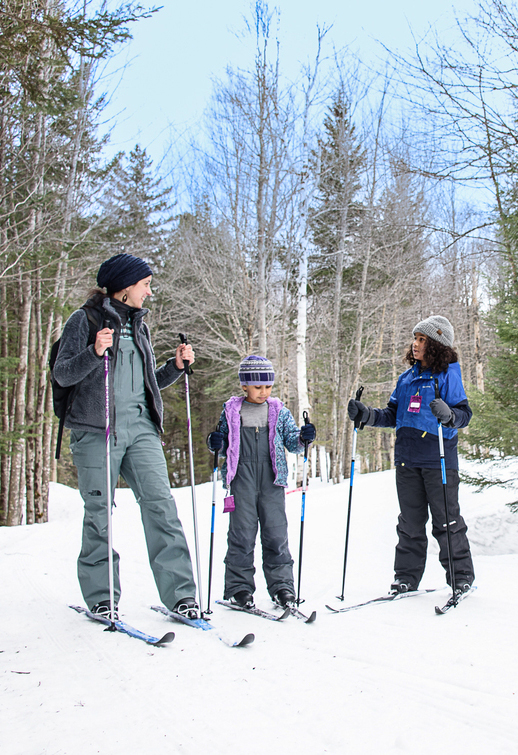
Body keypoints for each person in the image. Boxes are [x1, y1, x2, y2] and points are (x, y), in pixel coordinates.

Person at [53, 253, 199, 619]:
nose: (149, 292)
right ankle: (102, 598)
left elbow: (149, 383)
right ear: (125, 287)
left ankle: (181, 595)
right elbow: (62, 374)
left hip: (141, 429)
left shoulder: (139, 327)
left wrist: (175, 367)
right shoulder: (82, 321)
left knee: (161, 507)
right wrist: (94, 351)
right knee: (100, 514)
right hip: (96, 432)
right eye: (145, 285)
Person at [347, 315, 475, 597]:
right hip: (406, 458)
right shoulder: (407, 379)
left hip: (439, 459)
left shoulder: (448, 375)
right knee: (409, 523)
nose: (415, 344)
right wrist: (366, 414)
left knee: (447, 521)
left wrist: (451, 415)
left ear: (437, 345)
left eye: (422, 340)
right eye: (415, 338)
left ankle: (461, 577)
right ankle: (405, 578)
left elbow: (464, 415)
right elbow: (392, 414)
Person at [207, 356, 316, 609]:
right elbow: (222, 445)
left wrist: (303, 437)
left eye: (268, 386)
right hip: (241, 479)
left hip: (272, 479)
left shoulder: (279, 410)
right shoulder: (232, 410)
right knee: (241, 535)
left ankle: (282, 588)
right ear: (244, 385)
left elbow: (293, 442)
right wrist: (215, 442)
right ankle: (239, 588)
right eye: (258, 387)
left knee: (276, 534)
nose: (264, 392)